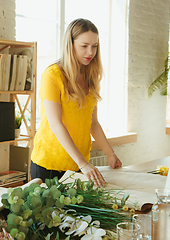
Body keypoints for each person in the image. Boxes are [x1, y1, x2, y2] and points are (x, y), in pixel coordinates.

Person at [30, 18, 122, 187]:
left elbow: (92, 122)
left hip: (78, 166)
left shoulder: (91, 77)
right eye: (84, 46)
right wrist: (84, 164)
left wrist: (110, 153)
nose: (90, 52)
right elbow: (56, 124)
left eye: (95, 46)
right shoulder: (52, 75)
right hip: (49, 165)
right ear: (70, 44)